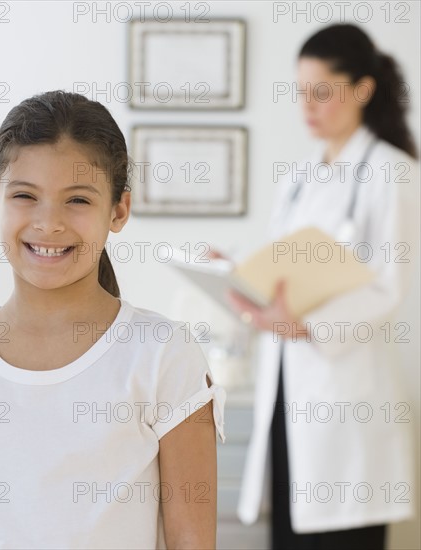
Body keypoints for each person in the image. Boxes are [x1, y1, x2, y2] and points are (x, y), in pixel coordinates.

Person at [0, 91, 226, 549]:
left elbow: (193, 542)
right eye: (24, 195)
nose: (49, 223)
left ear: (118, 210)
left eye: (77, 200)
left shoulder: (163, 356)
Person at [212, 24, 419, 550]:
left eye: (321, 92)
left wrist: (307, 325)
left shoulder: (391, 173)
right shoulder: (301, 175)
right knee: (289, 529)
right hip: (287, 387)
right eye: (301, 92)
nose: (307, 105)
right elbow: (281, 266)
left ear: (363, 90)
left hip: (347, 399)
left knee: (342, 534)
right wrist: (234, 268)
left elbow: (389, 286)